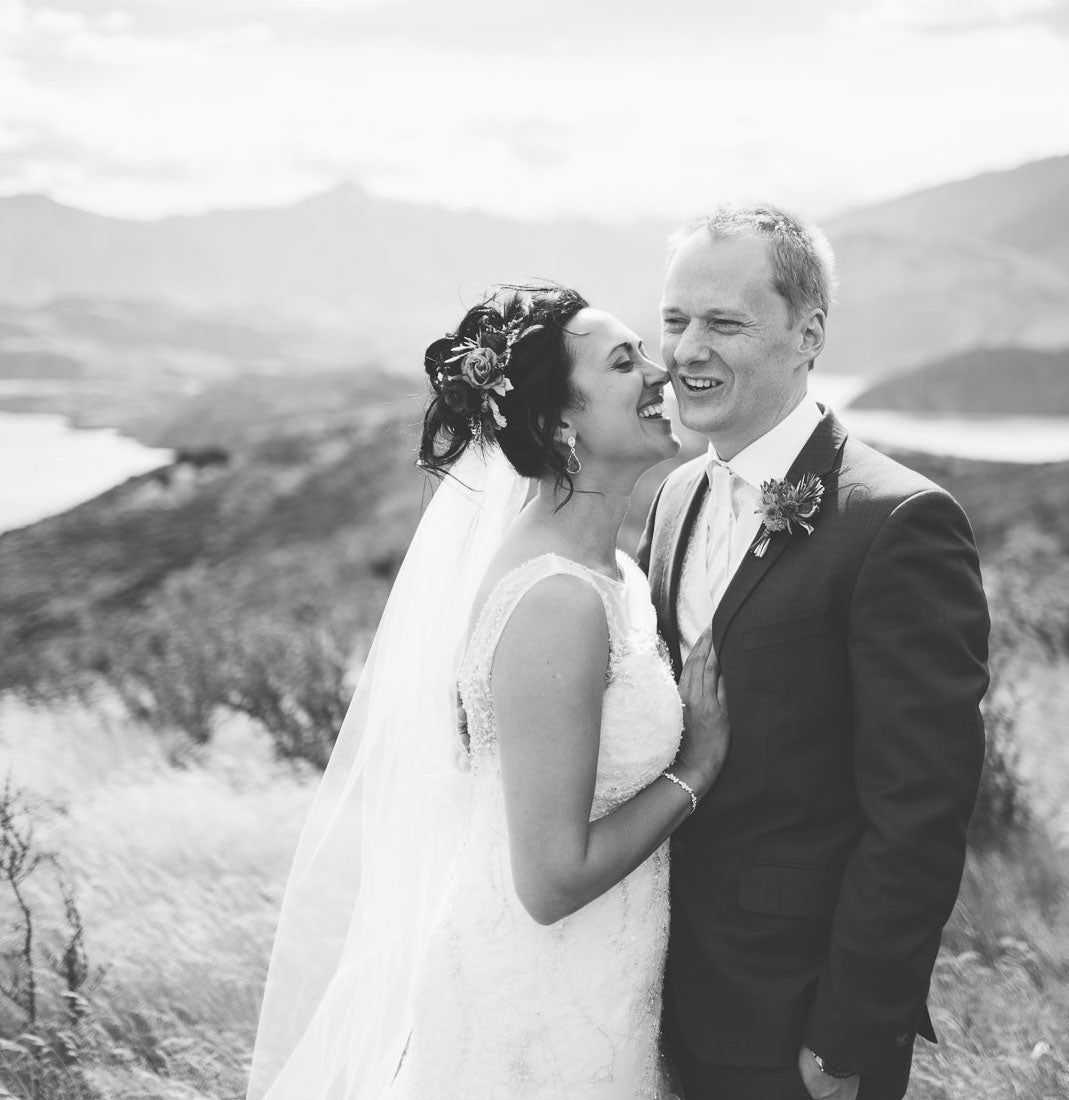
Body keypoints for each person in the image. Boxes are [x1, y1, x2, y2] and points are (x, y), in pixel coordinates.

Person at [246, 283, 731, 1100]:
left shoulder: (608, 573)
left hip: (601, 980)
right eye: (625, 361)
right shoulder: (555, 601)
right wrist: (698, 766)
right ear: (558, 425)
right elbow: (548, 881)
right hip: (539, 1003)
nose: (662, 370)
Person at [638, 205, 991, 1100]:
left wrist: (848, 1037)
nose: (685, 351)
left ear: (808, 334)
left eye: (723, 322)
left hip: (793, 1021)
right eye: (675, 320)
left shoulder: (899, 524)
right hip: (650, 988)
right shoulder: (675, 496)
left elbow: (920, 809)